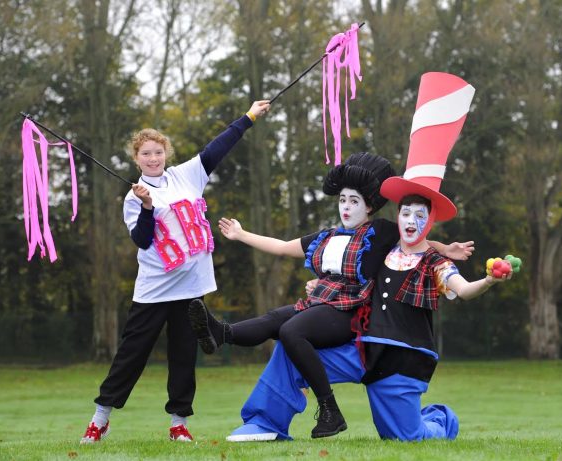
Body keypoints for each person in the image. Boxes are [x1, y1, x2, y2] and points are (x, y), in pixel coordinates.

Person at [222, 72, 511, 442]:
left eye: (420, 216)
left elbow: (464, 289)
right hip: (360, 349)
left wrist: (487, 279)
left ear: (430, 222)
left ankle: (442, 421)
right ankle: (264, 423)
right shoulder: (381, 245)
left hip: (401, 360)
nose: (410, 221)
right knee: (291, 348)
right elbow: (343, 269)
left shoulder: (436, 265)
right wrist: (319, 284)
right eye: (406, 213)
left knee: (405, 438)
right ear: (396, 216)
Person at [188, 152, 473, 439]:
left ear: (370, 206)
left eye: (354, 201)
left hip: (352, 315)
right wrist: (242, 234)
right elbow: (282, 247)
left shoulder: (381, 232)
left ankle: (331, 409)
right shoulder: (325, 237)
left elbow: (413, 238)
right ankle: (225, 342)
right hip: (321, 306)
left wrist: (445, 248)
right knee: (278, 321)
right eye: (342, 200)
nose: (346, 207)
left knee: (292, 331)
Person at [79, 100, 271, 444]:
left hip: (190, 288)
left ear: (166, 152)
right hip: (154, 290)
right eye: (146, 154)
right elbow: (141, 239)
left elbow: (219, 147)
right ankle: (100, 419)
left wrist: (250, 117)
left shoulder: (187, 175)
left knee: (184, 357)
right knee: (131, 356)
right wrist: (148, 207)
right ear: (136, 159)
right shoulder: (134, 196)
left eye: (158, 152)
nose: (153, 159)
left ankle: (178, 424)